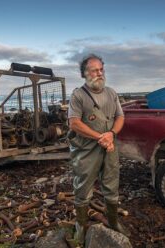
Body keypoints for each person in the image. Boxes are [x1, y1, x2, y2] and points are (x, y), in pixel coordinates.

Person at [67, 54, 130, 244]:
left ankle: (112, 222)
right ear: (84, 73)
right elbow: (74, 124)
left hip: (109, 147)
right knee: (83, 188)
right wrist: (99, 137)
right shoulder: (78, 95)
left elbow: (120, 118)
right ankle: (81, 228)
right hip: (85, 151)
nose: (99, 73)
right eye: (95, 70)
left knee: (112, 184)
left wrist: (110, 134)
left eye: (101, 69)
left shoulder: (111, 93)